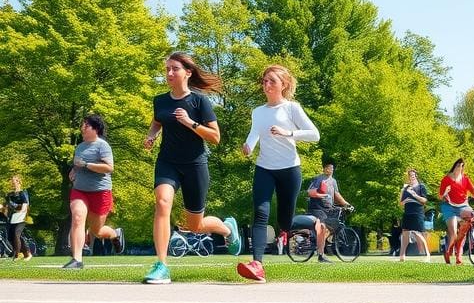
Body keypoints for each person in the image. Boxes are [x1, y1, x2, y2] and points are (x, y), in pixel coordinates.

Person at [142, 52, 241, 284]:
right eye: (167, 69)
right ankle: (161, 265)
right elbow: (157, 121)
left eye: (174, 69)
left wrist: (190, 123)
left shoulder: (199, 102)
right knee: (162, 202)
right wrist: (151, 136)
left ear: (187, 73)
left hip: (195, 165)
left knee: (195, 226)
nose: (168, 73)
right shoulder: (160, 101)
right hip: (167, 162)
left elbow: (215, 137)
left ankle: (226, 229)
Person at [236, 65, 320, 283]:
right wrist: (249, 146)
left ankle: (314, 221)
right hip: (264, 168)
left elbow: (314, 135)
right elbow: (255, 133)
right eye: (264, 81)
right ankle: (257, 265)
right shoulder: (258, 111)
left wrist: (288, 133)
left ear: (284, 84)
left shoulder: (292, 108)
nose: (267, 84)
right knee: (261, 213)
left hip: (290, 169)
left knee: (285, 222)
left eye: (272, 81)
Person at [62, 114, 125, 269]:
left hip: (100, 192)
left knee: (97, 231)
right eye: (82, 125)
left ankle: (115, 234)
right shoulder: (80, 146)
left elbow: (109, 167)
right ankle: (76, 260)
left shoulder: (102, 146)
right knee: (77, 217)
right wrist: (73, 172)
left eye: (86, 125)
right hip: (79, 190)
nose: (82, 128)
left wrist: (86, 164)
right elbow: (77, 166)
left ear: (95, 129)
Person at [303, 162, 352, 263]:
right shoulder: (318, 179)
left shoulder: (333, 181)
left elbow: (336, 194)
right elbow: (310, 192)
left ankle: (321, 241)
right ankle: (321, 255)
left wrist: (347, 204)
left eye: (332, 168)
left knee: (334, 225)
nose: (331, 170)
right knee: (322, 228)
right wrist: (321, 195)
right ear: (324, 169)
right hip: (317, 208)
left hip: (328, 209)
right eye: (329, 168)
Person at [438, 158, 474, 264]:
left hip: (462, 206)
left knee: (471, 216)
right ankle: (448, 251)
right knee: (453, 233)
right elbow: (440, 196)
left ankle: (459, 256)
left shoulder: (465, 179)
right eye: (457, 166)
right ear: (454, 166)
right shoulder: (446, 179)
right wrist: (445, 193)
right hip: (449, 206)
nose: (459, 168)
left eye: (461, 166)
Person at [398, 168, 430, 262]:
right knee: (405, 234)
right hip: (408, 212)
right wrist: (403, 195)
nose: (411, 177)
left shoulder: (421, 187)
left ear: (416, 176)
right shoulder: (406, 188)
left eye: (413, 175)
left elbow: (424, 200)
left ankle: (427, 255)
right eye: (409, 175)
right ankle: (402, 256)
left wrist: (414, 195)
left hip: (417, 211)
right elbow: (401, 203)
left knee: (418, 233)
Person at [5, 176, 32, 261]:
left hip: (22, 215)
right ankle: (27, 253)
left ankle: (17, 254)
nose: (12, 183)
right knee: (10, 236)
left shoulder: (22, 192)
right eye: (11, 182)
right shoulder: (10, 194)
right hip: (13, 216)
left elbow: (25, 204)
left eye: (14, 182)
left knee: (17, 233)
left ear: (19, 182)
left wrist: (21, 211)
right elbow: (7, 206)